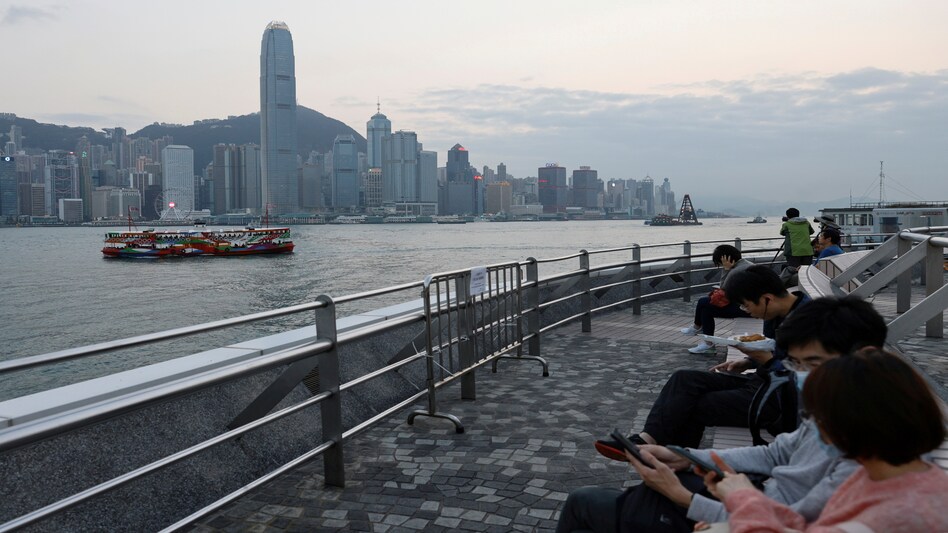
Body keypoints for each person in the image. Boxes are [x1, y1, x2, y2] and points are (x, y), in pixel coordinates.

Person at [558, 297, 888, 533]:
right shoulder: (838, 407)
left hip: (751, 509)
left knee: (585, 501)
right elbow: (777, 452)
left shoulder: (872, 449)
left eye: (813, 364)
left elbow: (788, 523)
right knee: (648, 484)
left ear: (865, 356)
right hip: (753, 495)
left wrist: (683, 497)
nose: (802, 376)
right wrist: (685, 457)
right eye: (797, 365)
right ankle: (656, 448)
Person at [702, 348, 948, 532]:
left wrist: (742, 498)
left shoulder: (897, 513)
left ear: (848, 422)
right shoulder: (882, 472)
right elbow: (800, 522)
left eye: (816, 414)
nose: (812, 423)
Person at [681, 245, 753, 354]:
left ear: (726, 260)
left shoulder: (737, 270)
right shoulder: (745, 264)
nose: (720, 265)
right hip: (748, 305)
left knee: (703, 302)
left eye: (720, 263)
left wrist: (726, 269)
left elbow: (724, 288)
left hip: (749, 309)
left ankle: (699, 330)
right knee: (706, 308)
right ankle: (705, 339)